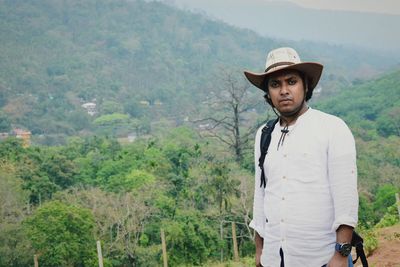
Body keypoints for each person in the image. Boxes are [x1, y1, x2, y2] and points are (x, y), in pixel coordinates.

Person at [243, 47, 358, 267]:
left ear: (306, 85)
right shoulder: (263, 135)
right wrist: (260, 251)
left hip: (323, 258)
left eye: (291, 81)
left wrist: (341, 254)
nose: (284, 90)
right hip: (275, 260)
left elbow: (346, 197)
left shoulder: (332, 128)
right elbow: (261, 195)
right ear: (268, 93)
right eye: (275, 84)